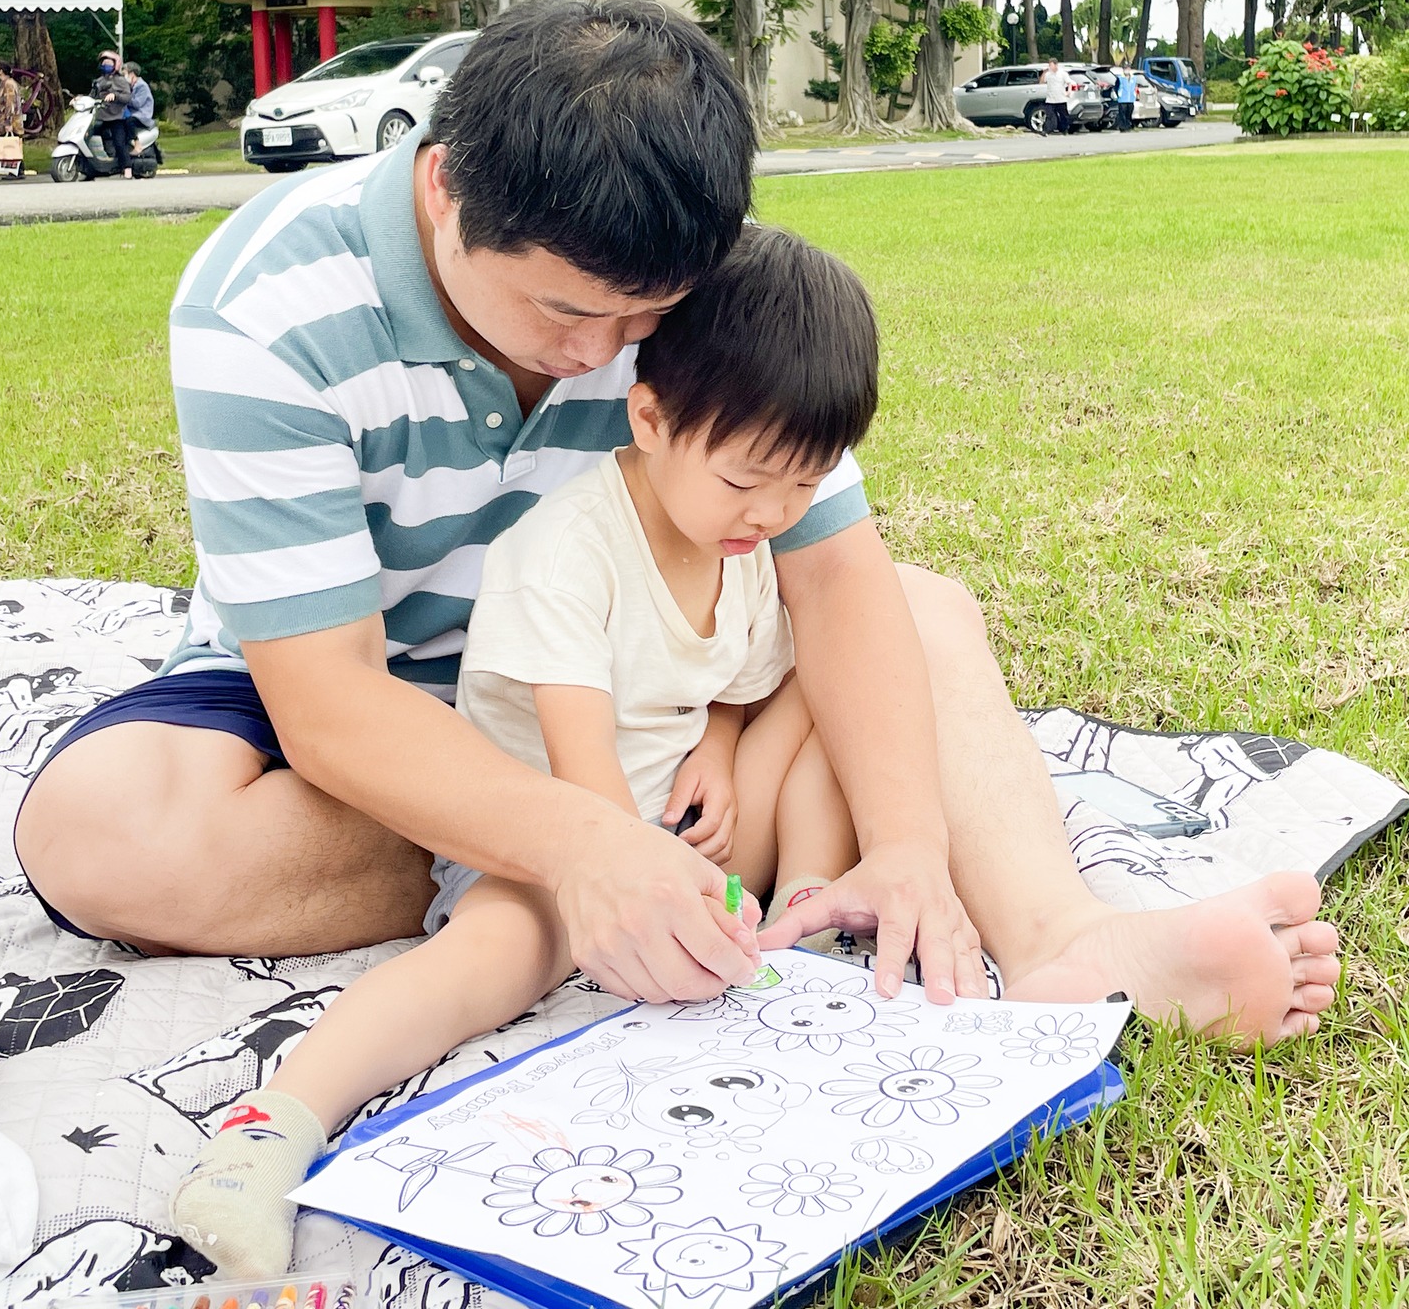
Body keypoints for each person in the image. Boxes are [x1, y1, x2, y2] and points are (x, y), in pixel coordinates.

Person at [14, 0, 1336, 1077]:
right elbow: (331, 701)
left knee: (921, 616)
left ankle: (1062, 937)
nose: (597, 354)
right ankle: (615, 871)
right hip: (377, 706)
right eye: (562, 310)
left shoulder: (695, 275)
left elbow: (836, 580)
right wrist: (583, 840)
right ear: (440, 191)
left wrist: (912, 850)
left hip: (635, 687)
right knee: (106, 833)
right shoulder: (269, 303)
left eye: (640, 319)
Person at [169, 223, 880, 1277]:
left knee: (829, 702)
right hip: (562, 827)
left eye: (802, 485)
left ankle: (812, 913)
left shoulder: (742, 539)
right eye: (747, 481)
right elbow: (574, 763)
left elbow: (744, 676)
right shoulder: (567, 549)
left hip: (680, 817)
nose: (775, 513)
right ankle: (276, 1123)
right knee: (494, 952)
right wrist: (622, 876)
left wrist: (721, 751)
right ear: (649, 416)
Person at [92, 50, 136, 173]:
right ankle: (94, 165)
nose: (106, 65)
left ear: (115, 65)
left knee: (119, 142)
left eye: (109, 63)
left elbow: (127, 97)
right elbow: (92, 96)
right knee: (90, 136)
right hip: (102, 116)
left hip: (117, 117)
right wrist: (79, 99)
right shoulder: (99, 81)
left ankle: (127, 168)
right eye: (104, 62)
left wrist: (115, 95)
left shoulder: (121, 81)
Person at [0, 62, 24, 179]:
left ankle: (15, 171)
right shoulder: (4, 84)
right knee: (14, 145)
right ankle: (17, 170)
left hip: (12, 121)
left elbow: (10, 103)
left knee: (12, 144)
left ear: (1, 70)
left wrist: (8, 122)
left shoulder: (9, 84)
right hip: (7, 120)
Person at [1040, 57, 1072, 135]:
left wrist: (1069, 91)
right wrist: (1044, 73)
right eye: (1049, 65)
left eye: (1051, 65)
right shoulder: (1048, 74)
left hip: (1061, 98)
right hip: (1050, 99)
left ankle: (1064, 129)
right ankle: (1046, 130)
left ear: (1056, 65)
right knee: (1049, 115)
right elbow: (1042, 82)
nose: (1050, 67)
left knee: (1064, 116)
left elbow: (1069, 83)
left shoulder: (1062, 73)